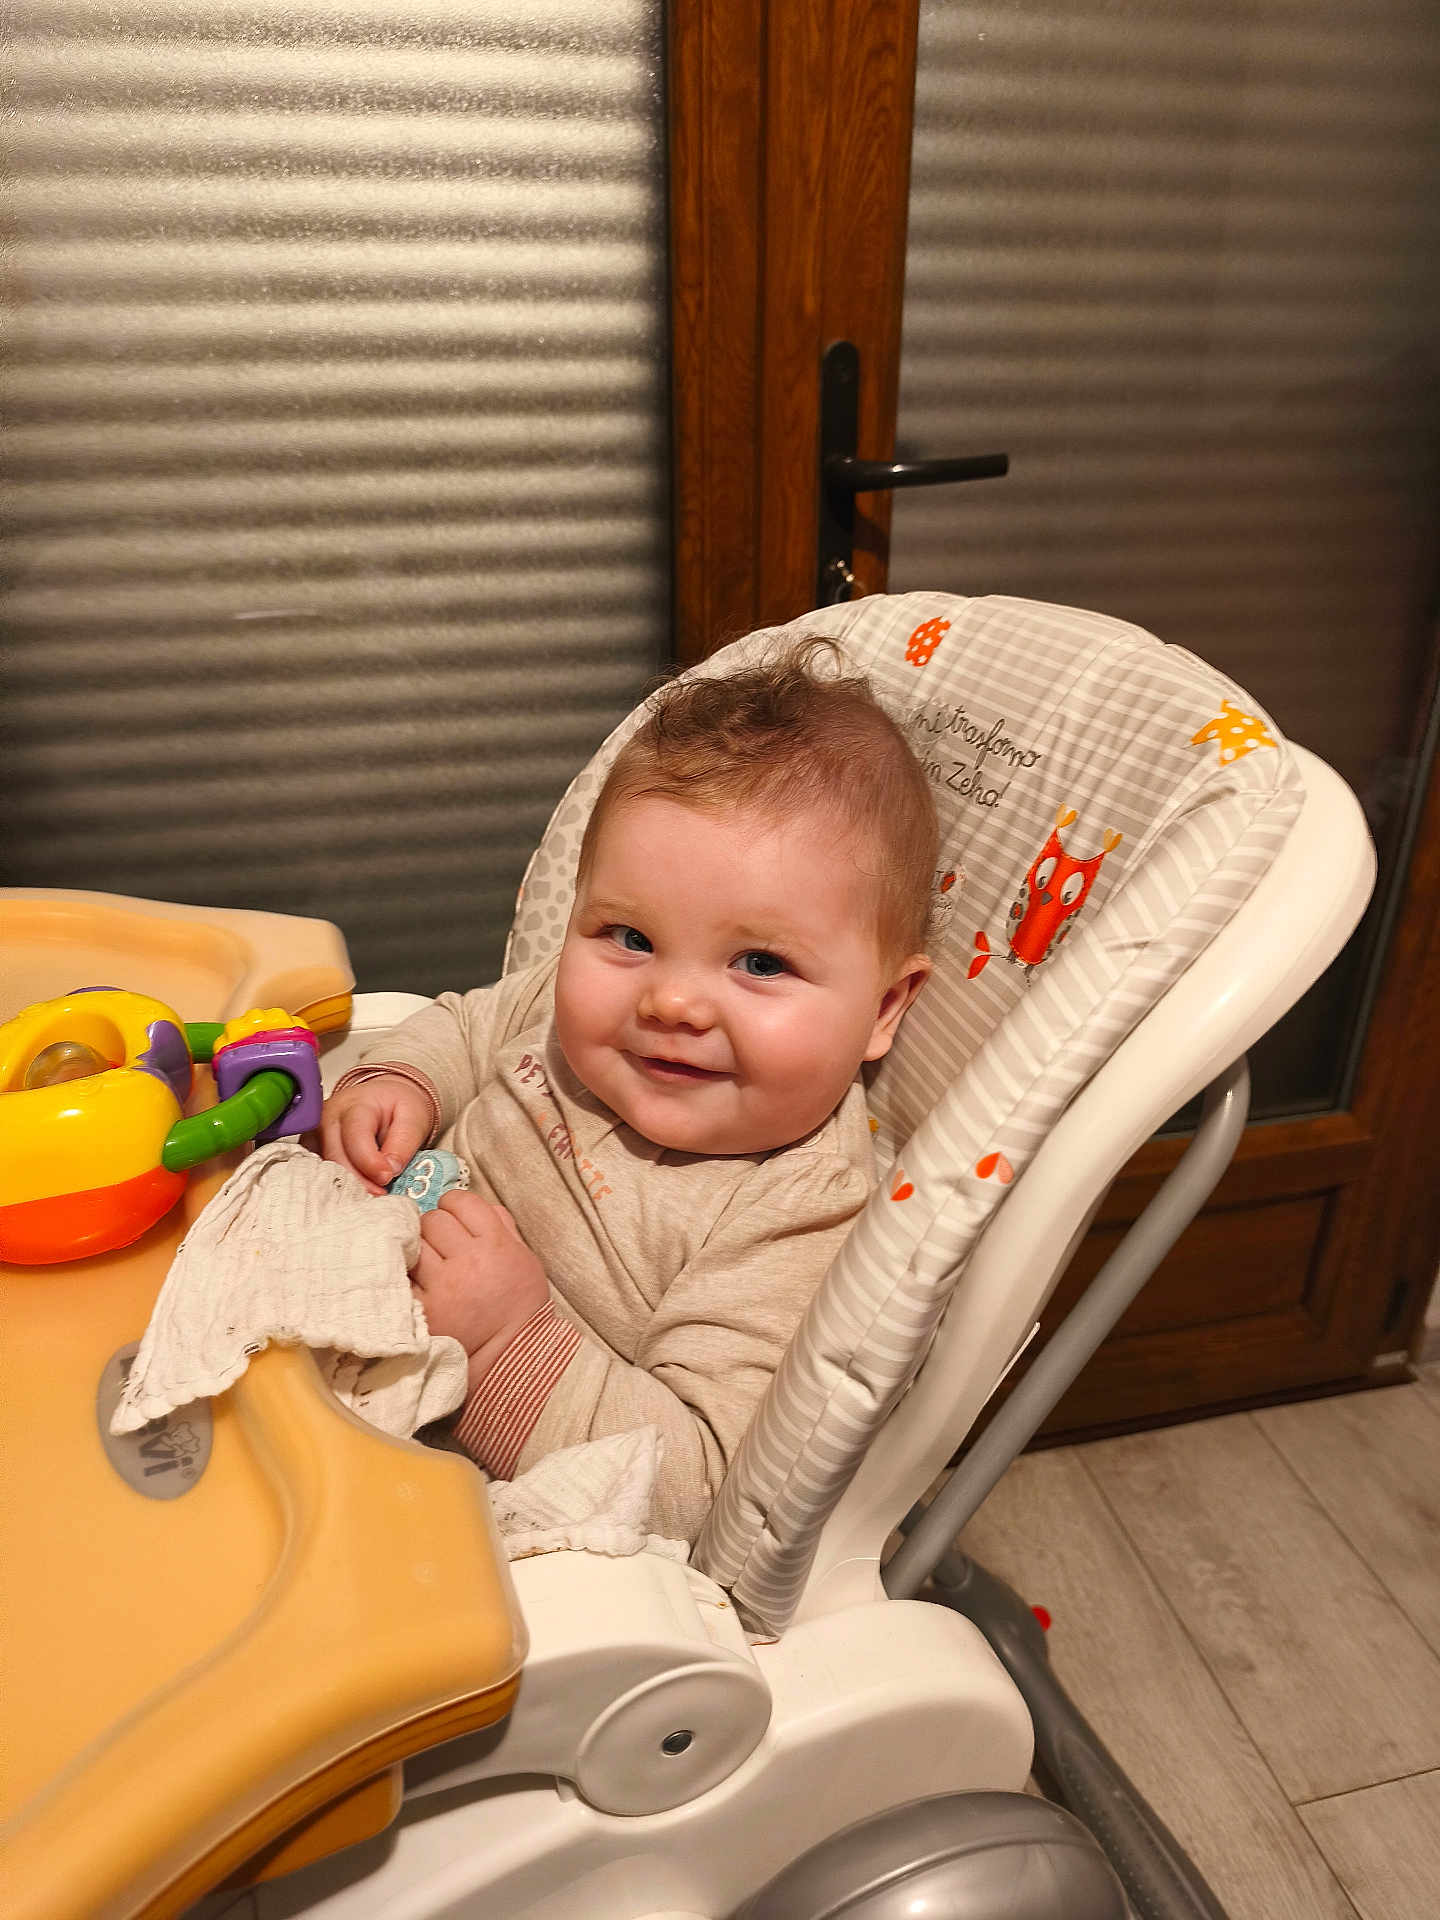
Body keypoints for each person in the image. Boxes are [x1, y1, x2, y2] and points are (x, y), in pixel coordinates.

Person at [321, 640, 938, 1541]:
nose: (671, 1000)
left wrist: (502, 1345)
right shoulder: (566, 1010)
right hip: (333, 1299)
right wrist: (402, 1079)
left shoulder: (800, 1209)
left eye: (760, 962)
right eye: (630, 936)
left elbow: (695, 1490)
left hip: (446, 1487)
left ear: (883, 1008)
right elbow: (462, 1023)